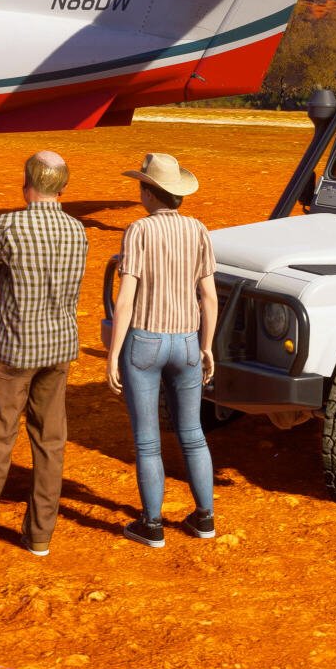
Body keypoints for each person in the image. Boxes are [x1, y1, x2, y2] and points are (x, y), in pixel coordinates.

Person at [0, 151, 87, 561]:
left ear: (26, 184)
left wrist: (7, 278)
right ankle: (39, 535)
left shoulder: (7, 225)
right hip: (59, 347)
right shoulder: (78, 231)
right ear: (62, 189)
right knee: (50, 442)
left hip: (15, 350)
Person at [105, 152, 219, 547]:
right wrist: (207, 347)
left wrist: (113, 352)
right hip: (187, 341)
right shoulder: (198, 230)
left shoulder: (138, 231)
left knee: (148, 440)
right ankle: (204, 517)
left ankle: (152, 524)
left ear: (150, 192)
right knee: (193, 433)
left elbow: (126, 298)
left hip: (146, 342)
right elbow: (208, 296)